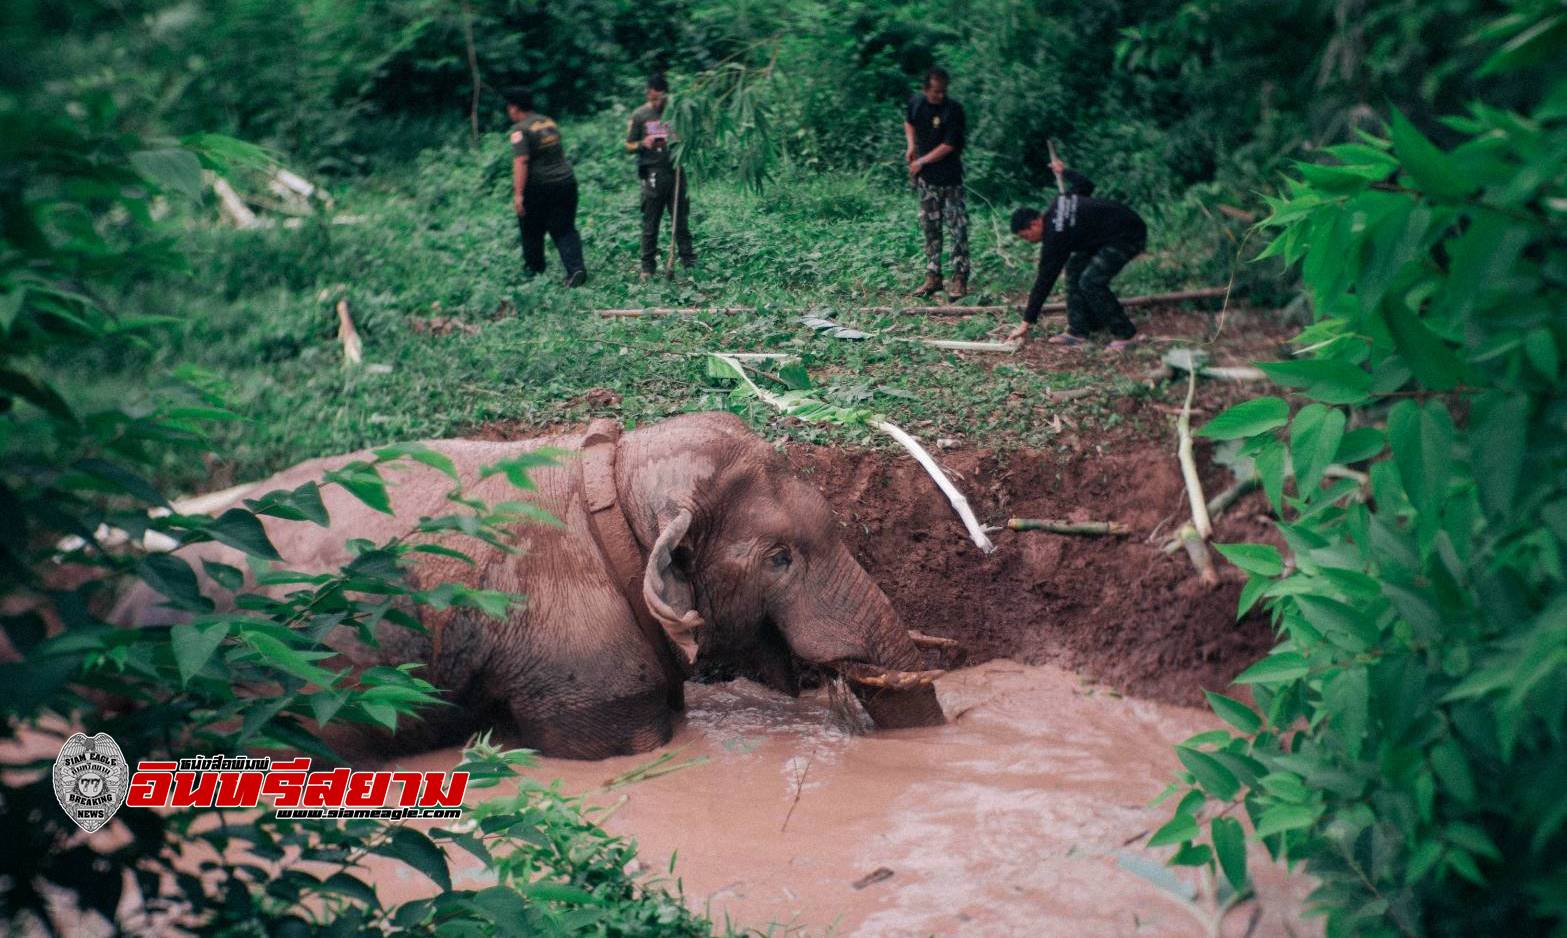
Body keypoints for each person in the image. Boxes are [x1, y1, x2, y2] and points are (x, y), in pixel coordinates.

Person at [1006, 159, 1146, 349]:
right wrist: (1065, 172)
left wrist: (1026, 322)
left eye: (1026, 236)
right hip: (1106, 235)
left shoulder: (1056, 236)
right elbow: (1086, 185)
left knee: (1091, 281)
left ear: (1035, 223)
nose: (1028, 240)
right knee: (1074, 268)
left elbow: (1044, 280)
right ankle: (1079, 330)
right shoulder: (1059, 202)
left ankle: (1126, 334)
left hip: (1128, 235)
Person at [505, 87, 587, 287]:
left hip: (540, 187)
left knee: (531, 230)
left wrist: (518, 194)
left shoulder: (520, 130)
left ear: (515, 108)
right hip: (566, 182)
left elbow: (522, 161)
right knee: (565, 229)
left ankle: (534, 272)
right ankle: (576, 269)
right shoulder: (548, 122)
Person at [903, 67, 969, 300]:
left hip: (950, 180)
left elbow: (950, 145)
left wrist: (921, 161)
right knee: (931, 229)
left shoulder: (954, 110)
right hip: (927, 182)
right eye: (936, 92)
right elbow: (909, 122)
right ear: (925, 89)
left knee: (957, 228)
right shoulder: (917, 103)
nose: (940, 96)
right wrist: (911, 145)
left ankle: (960, 278)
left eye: (943, 91)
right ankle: (933, 277)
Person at [626, 72, 695, 281]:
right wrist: (641, 144)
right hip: (653, 173)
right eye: (652, 98)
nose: (655, 102)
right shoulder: (639, 115)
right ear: (647, 94)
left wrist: (681, 138)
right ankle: (647, 267)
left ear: (666, 95)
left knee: (680, 219)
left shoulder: (676, 112)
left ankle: (688, 261)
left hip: (676, 170)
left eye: (659, 98)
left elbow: (690, 137)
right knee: (651, 221)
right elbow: (628, 145)